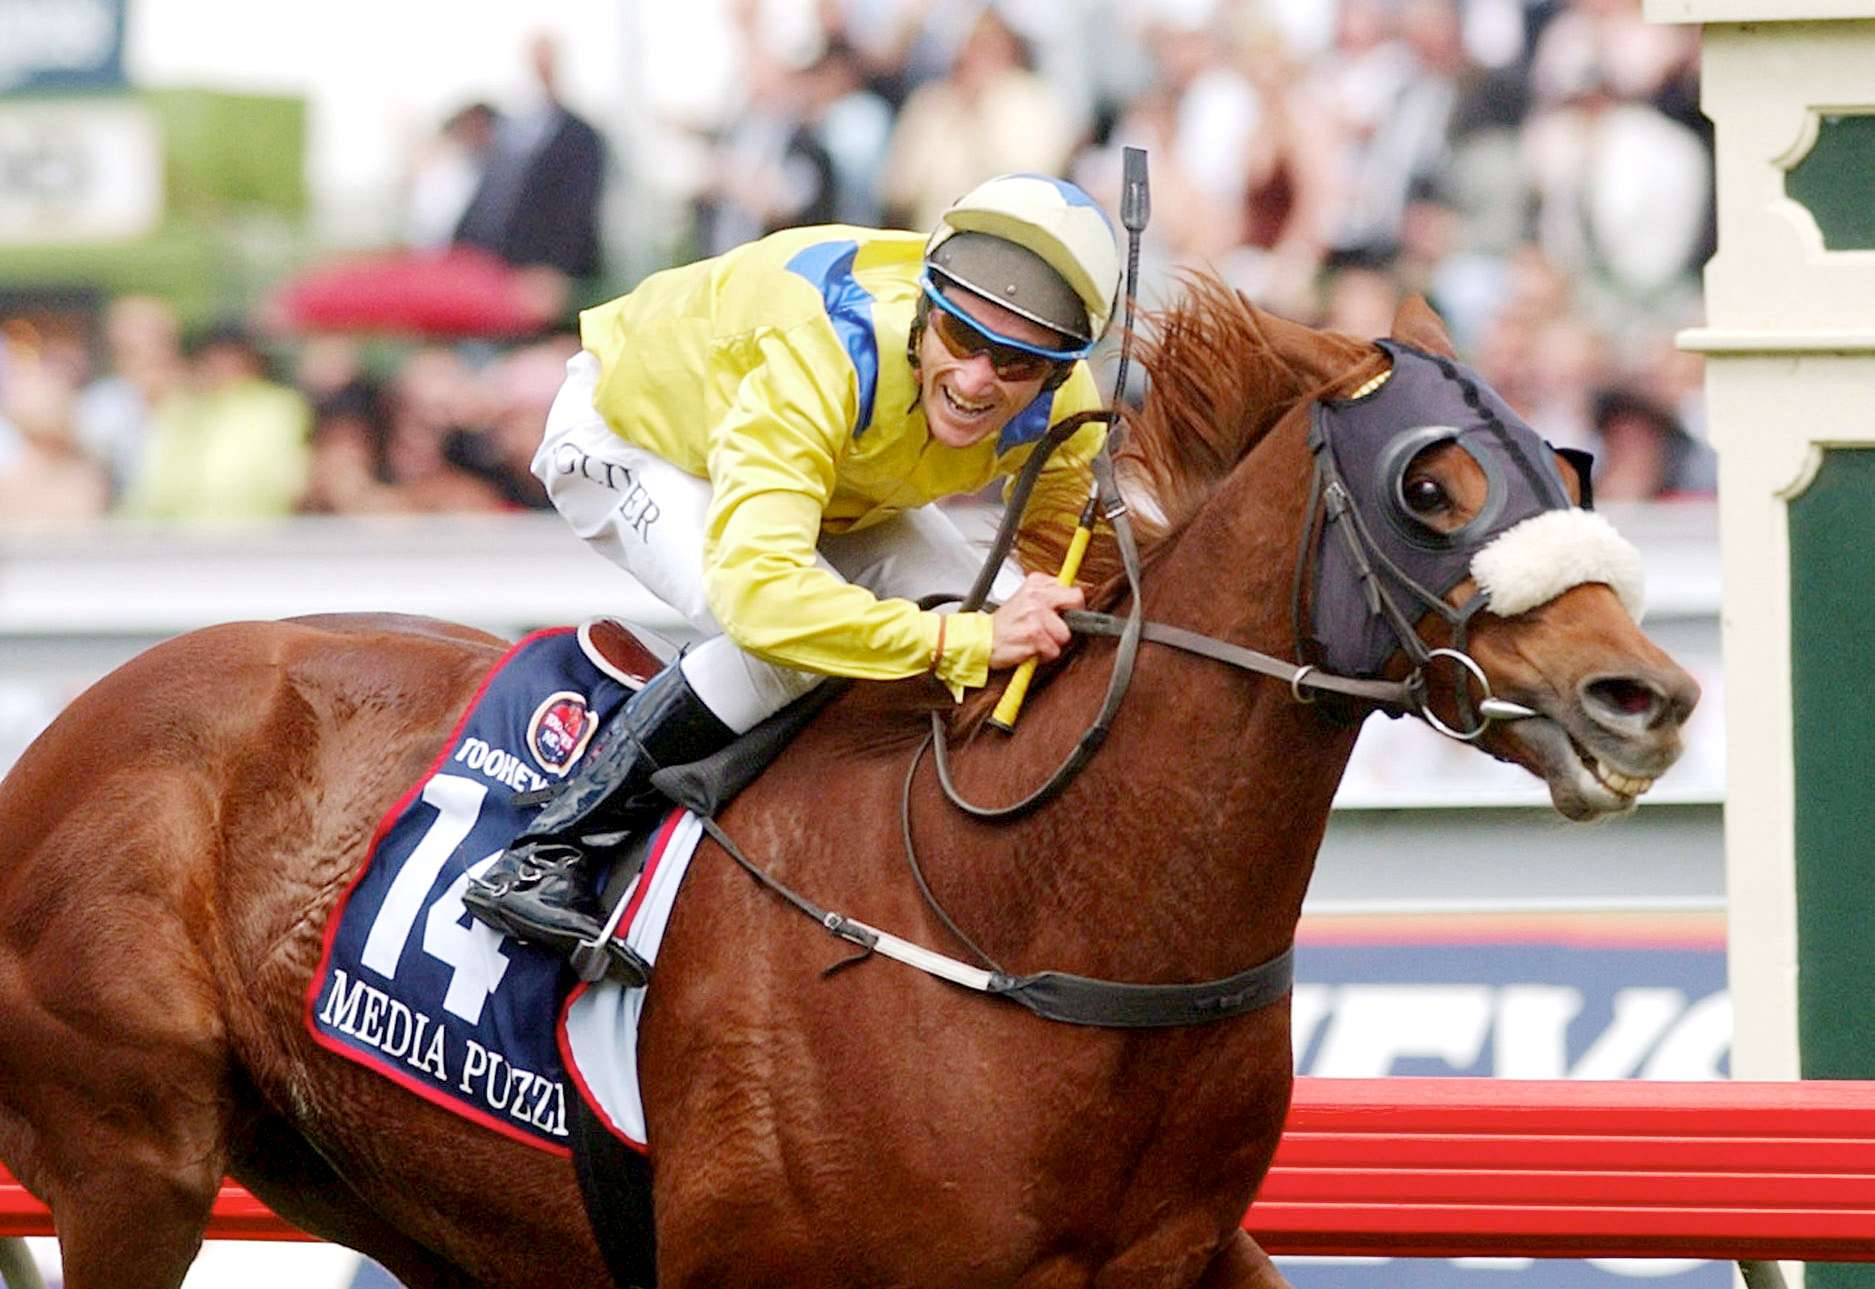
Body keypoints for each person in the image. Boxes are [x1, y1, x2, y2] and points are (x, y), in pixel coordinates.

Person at [464, 173, 1121, 975]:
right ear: (925, 307)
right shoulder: (823, 351)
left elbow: (1057, 567)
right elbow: (762, 599)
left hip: (826, 487)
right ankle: (547, 851)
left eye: (1017, 361)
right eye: (960, 336)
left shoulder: (1066, 406)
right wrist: (958, 638)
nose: (978, 379)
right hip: (633, 439)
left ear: (1058, 372)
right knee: (790, 644)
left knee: (991, 614)